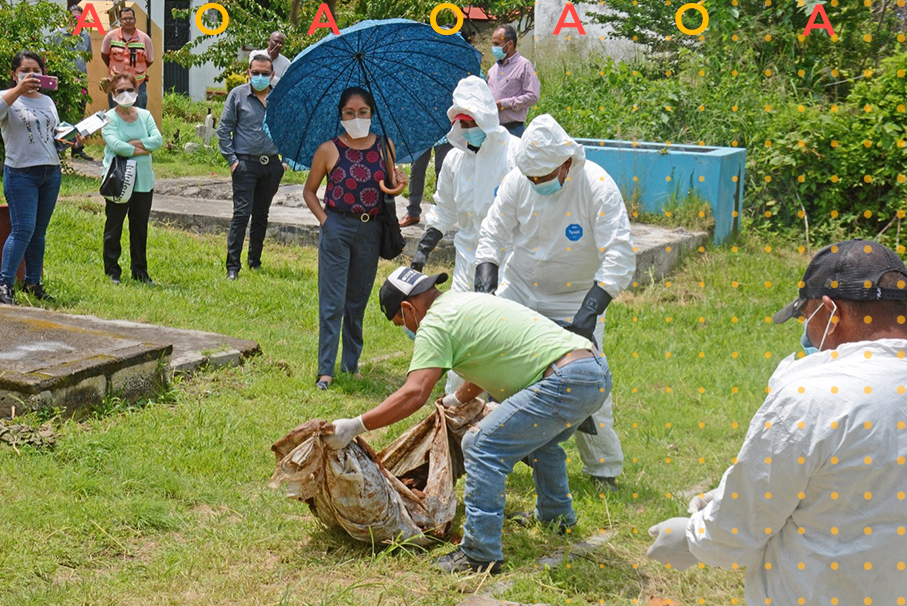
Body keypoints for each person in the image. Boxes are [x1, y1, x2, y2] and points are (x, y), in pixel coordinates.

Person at [647, 239, 907, 606]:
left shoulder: (813, 398)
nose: (806, 334)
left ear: (832, 312)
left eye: (807, 318)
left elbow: (743, 523)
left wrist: (691, 538)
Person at [324, 267, 611, 574]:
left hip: (564, 380)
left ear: (408, 308)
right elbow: (487, 358)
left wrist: (356, 425)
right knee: (541, 443)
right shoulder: (463, 303)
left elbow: (415, 392)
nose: (406, 329)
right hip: (591, 370)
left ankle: (479, 553)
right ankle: (557, 517)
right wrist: (457, 399)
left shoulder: (434, 322)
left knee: (481, 444)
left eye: (401, 323)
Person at [475, 114, 635, 491]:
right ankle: (465, 444)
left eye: (542, 179)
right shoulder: (519, 180)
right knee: (477, 364)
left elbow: (619, 256)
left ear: (566, 163)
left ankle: (604, 470)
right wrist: (485, 284)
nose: (535, 184)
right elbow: (493, 234)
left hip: (575, 297)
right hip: (520, 287)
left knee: (587, 384)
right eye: (530, 178)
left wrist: (589, 313)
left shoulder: (596, 185)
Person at [411, 75, 519, 394]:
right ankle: (456, 412)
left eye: (471, 121)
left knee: (499, 339)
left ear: (485, 116)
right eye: (461, 122)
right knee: (460, 338)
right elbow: (443, 210)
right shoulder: (455, 161)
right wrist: (422, 251)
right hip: (466, 260)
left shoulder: (513, 154)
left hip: (507, 260)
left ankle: (498, 411)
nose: (466, 127)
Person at [303, 87, 407, 390]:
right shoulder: (328, 149)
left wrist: (398, 184)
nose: (356, 117)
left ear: (372, 114)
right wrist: (326, 222)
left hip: (371, 230)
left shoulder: (385, 145)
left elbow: (389, 187)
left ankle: (351, 363)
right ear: (341, 115)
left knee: (357, 300)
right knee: (332, 301)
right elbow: (309, 191)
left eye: (363, 112)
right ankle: (326, 370)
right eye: (349, 112)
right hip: (337, 228)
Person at [0, 51, 73, 305]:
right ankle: (4, 285)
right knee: (23, 228)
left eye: (37, 70)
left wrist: (69, 139)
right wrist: (19, 89)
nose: (32, 75)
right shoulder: (5, 99)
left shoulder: (47, 101)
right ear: (14, 74)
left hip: (50, 171)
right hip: (21, 172)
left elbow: (51, 136)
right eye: (25, 71)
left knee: (39, 232)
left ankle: (33, 282)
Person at [217, 53, 287, 281]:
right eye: (255, 72)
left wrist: (285, 162)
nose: (259, 76)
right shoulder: (237, 95)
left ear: (272, 75)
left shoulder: (280, 97)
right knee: (241, 214)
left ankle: (254, 261)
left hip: (272, 165)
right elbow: (223, 130)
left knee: (261, 215)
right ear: (248, 72)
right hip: (245, 163)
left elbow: (290, 130)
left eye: (264, 74)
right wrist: (232, 160)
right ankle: (232, 267)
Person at [102, 73, 162, 285]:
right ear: (113, 93)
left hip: (143, 181)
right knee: (114, 226)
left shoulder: (145, 115)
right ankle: (112, 271)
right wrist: (142, 147)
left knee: (139, 228)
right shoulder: (108, 118)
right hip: (117, 179)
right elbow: (116, 146)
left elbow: (157, 140)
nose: (126, 94)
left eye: (130, 89)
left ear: (137, 92)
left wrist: (132, 147)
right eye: (120, 91)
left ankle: (140, 272)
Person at [486, 24, 540, 138]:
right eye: (493, 44)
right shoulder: (492, 70)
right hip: (493, 128)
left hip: (513, 129)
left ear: (509, 44)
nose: (494, 48)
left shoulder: (524, 66)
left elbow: (533, 96)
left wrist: (503, 104)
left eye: (497, 44)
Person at [101, 6, 154, 110]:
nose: (128, 21)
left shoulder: (144, 38)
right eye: (125, 19)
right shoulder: (110, 36)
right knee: (115, 114)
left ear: (135, 20)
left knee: (139, 113)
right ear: (120, 21)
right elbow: (104, 55)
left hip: (138, 84)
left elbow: (150, 60)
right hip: (117, 83)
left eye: (130, 18)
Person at [399, 141, 451, 228]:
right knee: (417, 168)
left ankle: (439, 215)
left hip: (444, 131)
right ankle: (412, 213)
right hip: (423, 130)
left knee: (442, 170)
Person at [67, 3, 94, 161]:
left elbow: (88, 56)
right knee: (61, 113)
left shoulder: (86, 35)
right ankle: (58, 149)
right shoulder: (59, 34)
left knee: (79, 113)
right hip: (65, 81)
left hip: (81, 79)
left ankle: (77, 149)